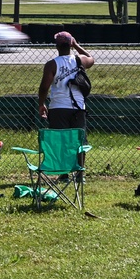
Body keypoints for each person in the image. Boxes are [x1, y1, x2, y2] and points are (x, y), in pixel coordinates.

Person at [38, 31, 95, 173]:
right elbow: (91, 59)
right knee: (79, 142)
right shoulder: (79, 60)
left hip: (58, 107)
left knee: (61, 142)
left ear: (56, 46)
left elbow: (44, 87)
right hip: (78, 107)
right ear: (70, 44)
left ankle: (63, 173)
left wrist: (41, 104)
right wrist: (76, 45)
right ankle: (80, 171)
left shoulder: (52, 65)